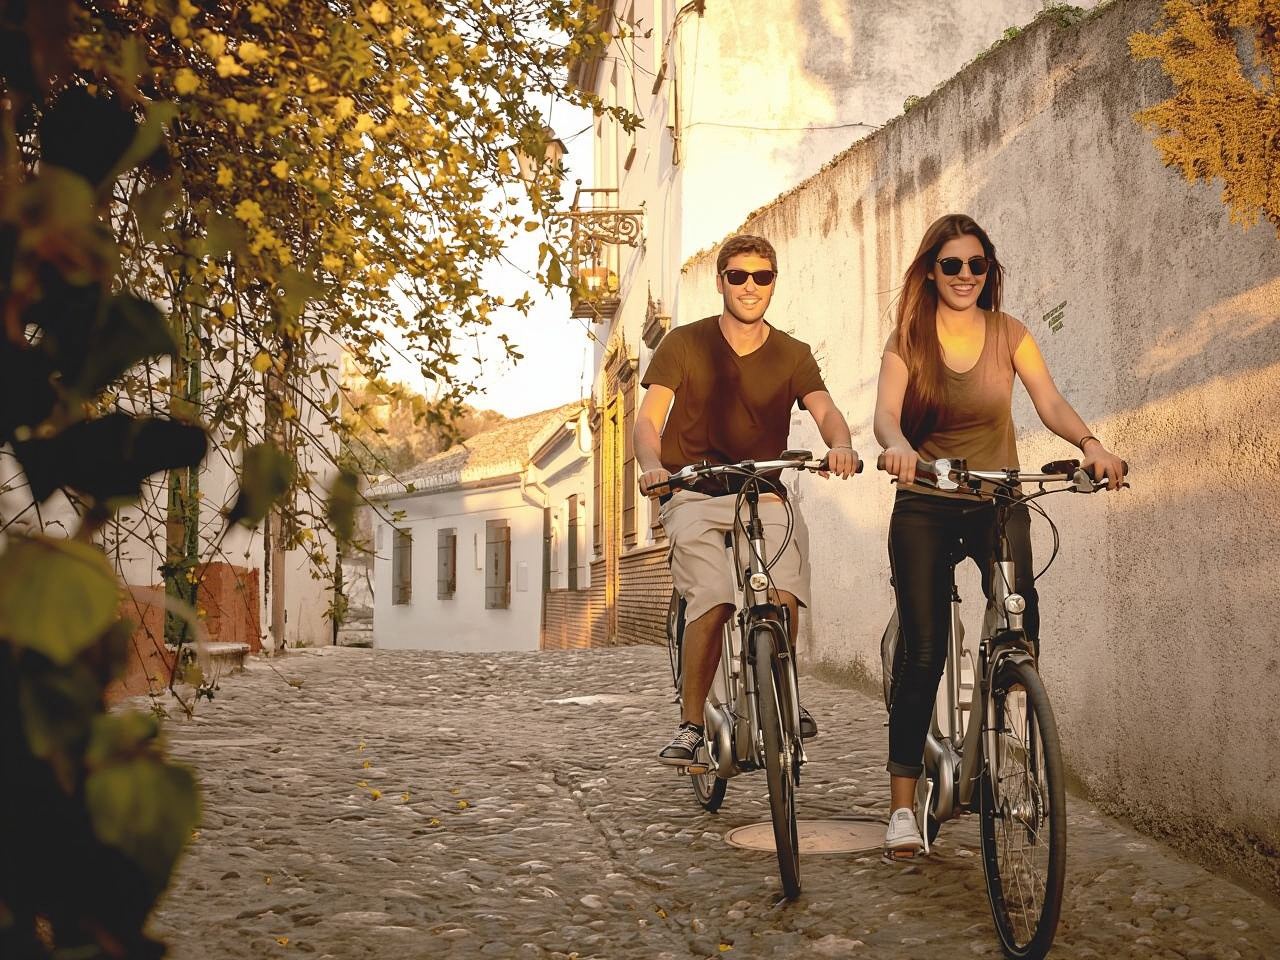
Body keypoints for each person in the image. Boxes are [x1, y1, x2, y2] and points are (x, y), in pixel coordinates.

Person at [873, 213, 1126, 861]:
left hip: (995, 497)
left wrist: (1091, 445)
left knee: (1021, 623)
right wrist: (900, 449)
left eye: (976, 265)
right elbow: (885, 417)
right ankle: (903, 806)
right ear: (931, 270)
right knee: (925, 652)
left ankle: (994, 747)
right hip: (926, 503)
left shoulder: (1010, 334)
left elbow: (1048, 400)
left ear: (990, 272)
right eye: (952, 265)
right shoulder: (909, 339)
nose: (964, 276)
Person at [635, 234, 860, 769]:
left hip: (763, 488)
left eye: (761, 277)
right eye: (738, 276)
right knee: (712, 598)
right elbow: (648, 420)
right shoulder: (684, 345)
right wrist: (651, 465)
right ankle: (691, 724)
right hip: (693, 489)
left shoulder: (792, 353)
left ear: (774, 283)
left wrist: (842, 445)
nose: (750, 286)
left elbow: (825, 410)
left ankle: (786, 699)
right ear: (721, 283)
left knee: (783, 592)